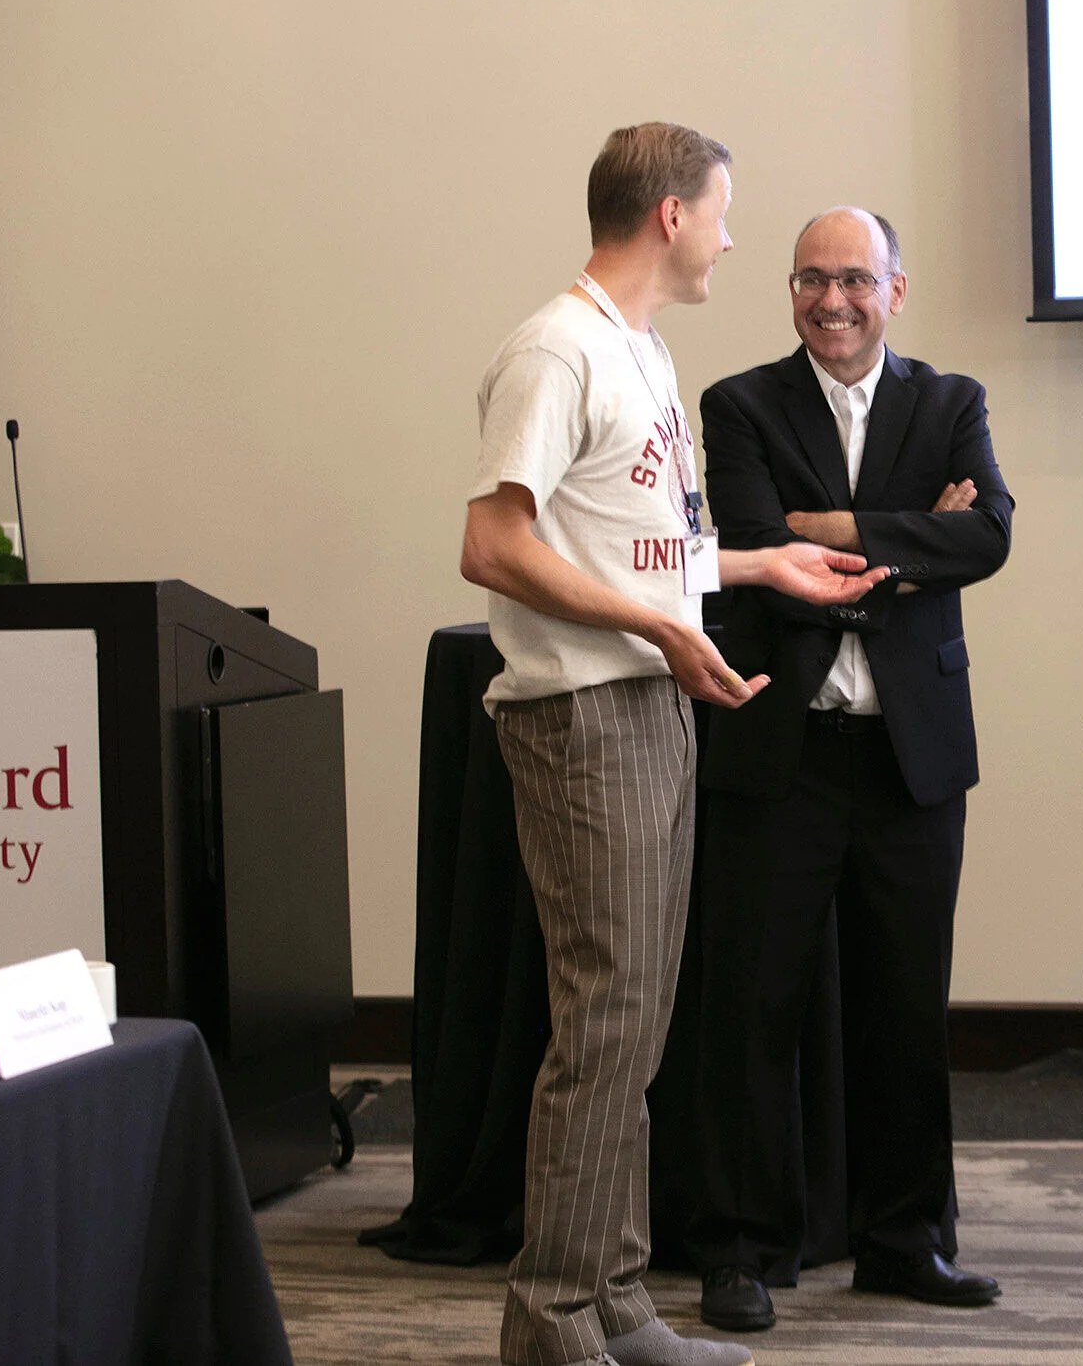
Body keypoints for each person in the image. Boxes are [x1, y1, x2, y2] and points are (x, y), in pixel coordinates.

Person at [460, 125, 891, 1366]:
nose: (729, 238)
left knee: (638, 1024)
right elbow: (493, 544)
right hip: (584, 712)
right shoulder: (557, 348)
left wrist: (761, 566)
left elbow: (641, 545)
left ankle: (617, 1300)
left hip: (650, 701)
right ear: (668, 215)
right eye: (721, 213)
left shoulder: (639, 349)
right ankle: (551, 1318)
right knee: (604, 1023)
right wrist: (656, 626)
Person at [686, 207, 1013, 1333]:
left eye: (856, 281)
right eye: (812, 280)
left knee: (905, 1009)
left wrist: (826, 528)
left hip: (910, 758)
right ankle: (741, 1250)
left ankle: (905, 1241)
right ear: (790, 290)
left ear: (896, 291)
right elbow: (749, 549)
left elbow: (990, 536)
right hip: (781, 749)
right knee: (752, 1009)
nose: (833, 301)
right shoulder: (739, 405)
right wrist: (912, 538)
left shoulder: (951, 401)